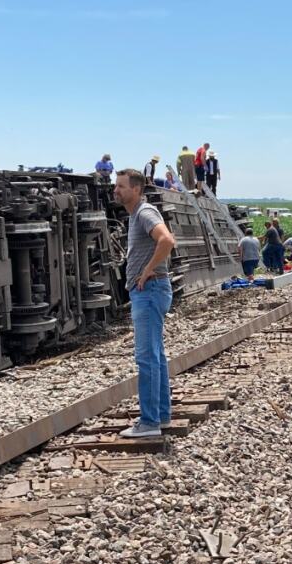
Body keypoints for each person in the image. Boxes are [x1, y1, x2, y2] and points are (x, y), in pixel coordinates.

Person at [114, 170, 177, 438]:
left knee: (146, 357)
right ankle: (161, 417)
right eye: (115, 186)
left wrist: (149, 269)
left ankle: (149, 422)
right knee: (156, 356)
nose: (115, 190)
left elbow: (167, 240)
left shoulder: (144, 212)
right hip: (151, 291)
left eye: (121, 186)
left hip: (149, 291)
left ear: (137, 189)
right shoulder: (135, 214)